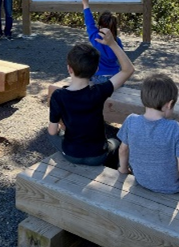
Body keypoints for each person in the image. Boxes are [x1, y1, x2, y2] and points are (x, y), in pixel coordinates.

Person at [48, 28, 135, 168]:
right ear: (95, 70)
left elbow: (52, 131)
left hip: (71, 154)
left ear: (69, 68)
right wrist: (112, 43)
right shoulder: (99, 91)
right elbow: (128, 69)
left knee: (50, 134)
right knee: (116, 142)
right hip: (98, 155)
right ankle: (114, 163)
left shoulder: (58, 96)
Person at [117, 73, 179, 198]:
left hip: (141, 181)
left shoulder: (131, 120)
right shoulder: (174, 128)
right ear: (169, 104)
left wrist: (123, 169)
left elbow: (123, 149)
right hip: (171, 187)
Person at [81, 0, 124, 84]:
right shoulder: (117, 41)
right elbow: (122, 59)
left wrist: (85, 4)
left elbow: (89, 22)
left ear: (99, 26)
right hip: (115, 77)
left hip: (99, 76)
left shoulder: (96, 38)